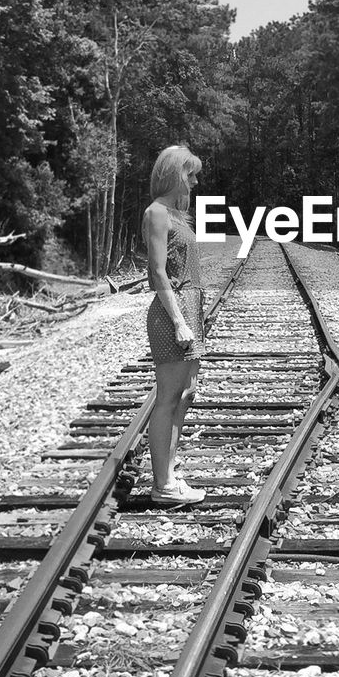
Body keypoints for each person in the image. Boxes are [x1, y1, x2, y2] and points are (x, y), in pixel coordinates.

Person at [142, 144, 207, 506]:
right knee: (168, 397)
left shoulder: (177, 215)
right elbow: (158, 271)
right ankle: (163, 485)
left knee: (186, 394)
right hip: (173, 313)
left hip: (189, 308)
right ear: (174, 175)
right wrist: (181, 322)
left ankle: (168, 470)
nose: (195, 182)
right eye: (191, 175)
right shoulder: (156, 213)